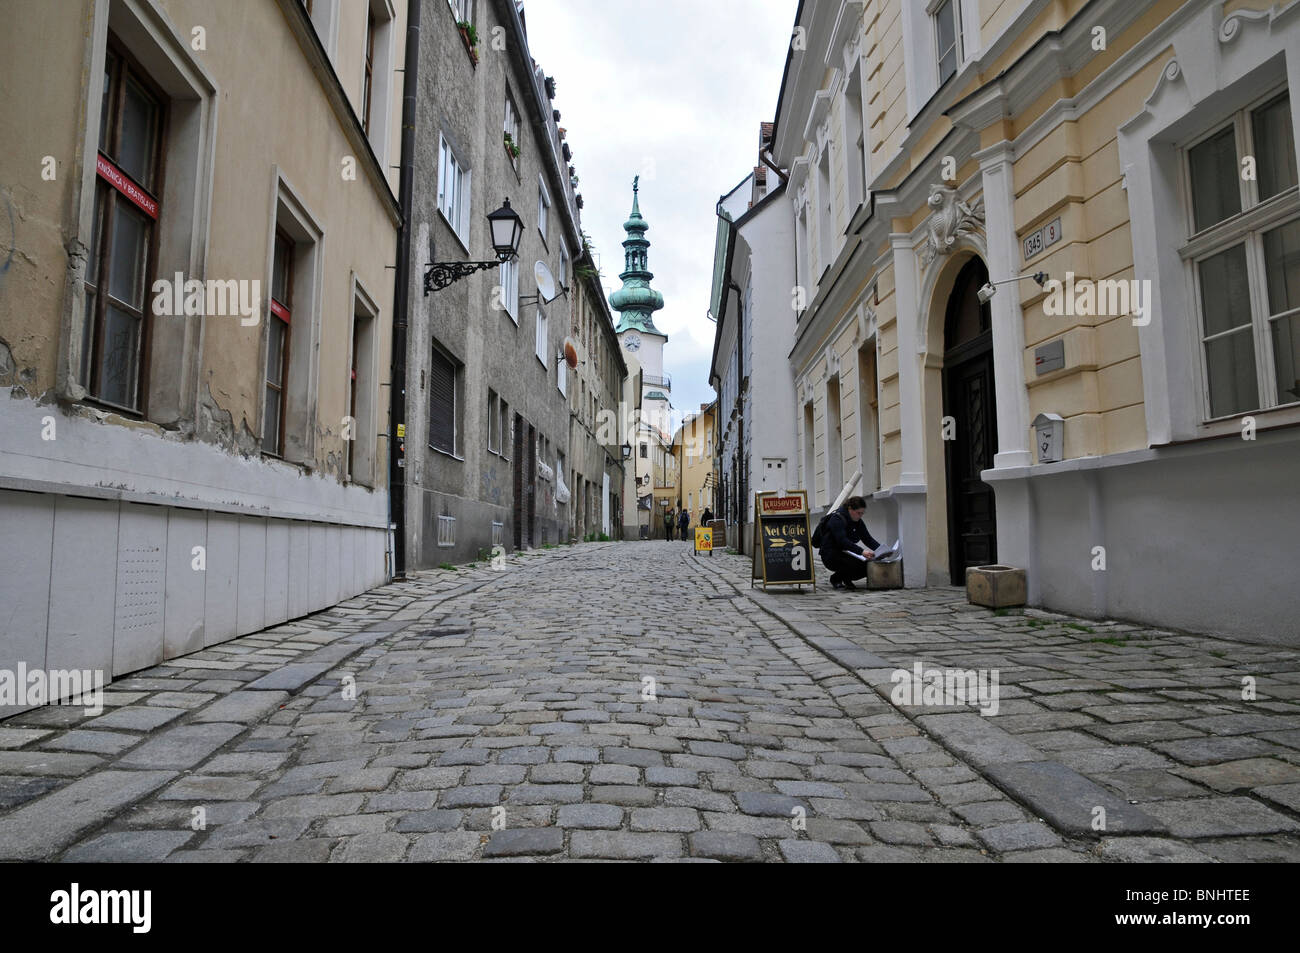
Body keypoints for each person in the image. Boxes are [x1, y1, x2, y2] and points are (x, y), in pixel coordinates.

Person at [818, 495, 879, 591]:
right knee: (852, 564)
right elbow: (842, 541)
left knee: (868, 566)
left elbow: (867, 539)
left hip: (844, 553)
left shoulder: (858, 521)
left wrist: (881, 550)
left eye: (862, 513)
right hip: (830, 555)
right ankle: (836, 579)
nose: (860, 516)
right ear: (850, 509)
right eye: (858, 513)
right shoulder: (836, 519)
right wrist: (862, 552)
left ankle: (846, 578)